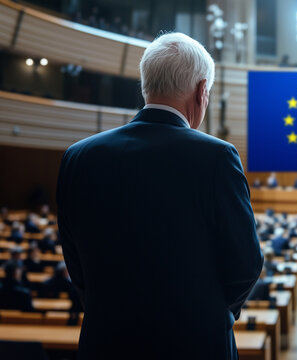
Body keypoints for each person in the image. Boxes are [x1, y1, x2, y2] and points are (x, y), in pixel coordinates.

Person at [56, 33, 263, 360]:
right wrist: (212, 315)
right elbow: (247, 263)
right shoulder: (216, 157)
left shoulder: (79, 157)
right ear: (201, 91)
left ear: (145, 86)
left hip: (106, 344)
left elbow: (75, 263)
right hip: (196, 345)